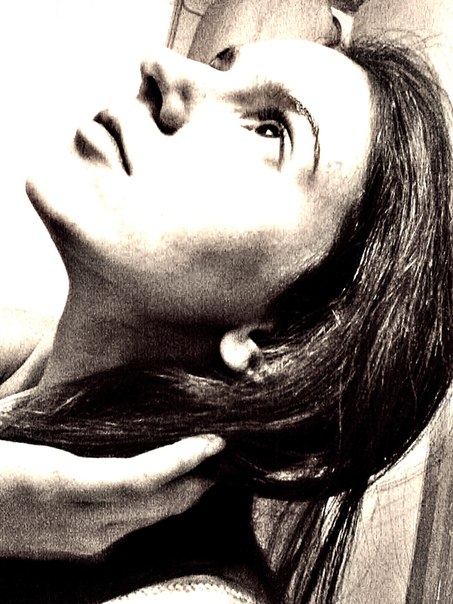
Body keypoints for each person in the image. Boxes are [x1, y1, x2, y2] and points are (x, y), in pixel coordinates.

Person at [1, 4, 452, 604]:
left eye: (271, 130)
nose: (163, 69)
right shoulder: (27, 363)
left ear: (282, 341)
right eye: (220, 67)